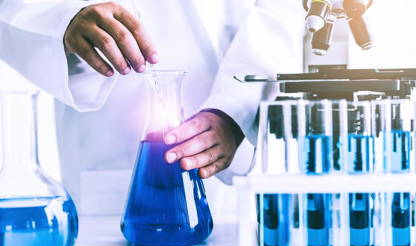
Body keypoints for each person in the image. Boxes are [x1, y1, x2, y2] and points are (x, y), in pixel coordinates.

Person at [0, 0, 303, 214]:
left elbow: (287, 12)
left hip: (241, 164)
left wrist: (235, 110)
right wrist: (65, 18)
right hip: (115, 164)